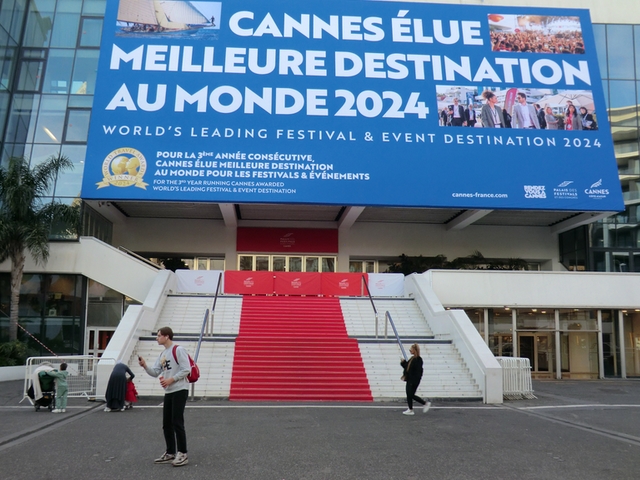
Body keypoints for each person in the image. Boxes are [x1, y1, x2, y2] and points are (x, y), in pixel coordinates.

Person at [139, 326, 191, 467]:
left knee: (177, 421)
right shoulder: (163, 354)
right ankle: (170, 452)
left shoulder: (178, 350)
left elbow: (187, 369)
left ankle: (182, 453)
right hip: (169, 391)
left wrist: (171, 379)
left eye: (159, 335)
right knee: (166, 423)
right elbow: (155, 372)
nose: (157, 338)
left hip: (180, 389)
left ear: (167, 336)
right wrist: (145, 366)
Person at [400, 344, 430, 415]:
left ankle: (425, 403)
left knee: (411, 394)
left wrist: (414, 380)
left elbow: (417, 371)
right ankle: (410, 409)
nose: (410, 350)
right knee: (409, 394)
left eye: (411, 349)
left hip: (413, 380)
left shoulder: (418, 360)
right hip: (410, 379)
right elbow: (407, 367)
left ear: (415, 350)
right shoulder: (412, 358)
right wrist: (403, 362)